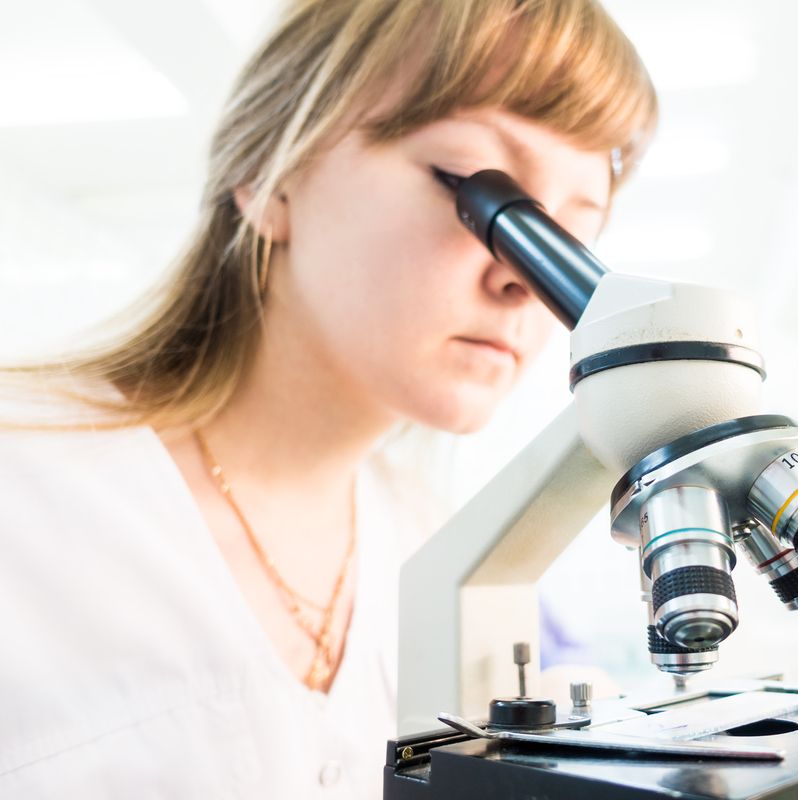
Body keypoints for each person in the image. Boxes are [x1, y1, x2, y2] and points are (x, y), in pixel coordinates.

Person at [0, 0, 657, 796]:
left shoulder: (433, 549)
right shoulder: (24, 490)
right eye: (484, 197)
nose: (524, 279)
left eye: (570, 232)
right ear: (271, 176)